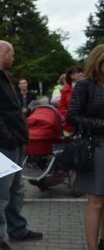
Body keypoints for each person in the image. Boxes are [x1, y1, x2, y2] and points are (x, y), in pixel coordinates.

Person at [0, 40, 43, 250]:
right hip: (3, 147)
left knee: (16, 191)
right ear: (4, 53)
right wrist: (9, 138)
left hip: (12, 145)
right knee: (0, 196)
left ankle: (17, 230)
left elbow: (3, 112)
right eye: (11, 54)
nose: (13, 59)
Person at [66, 44, 104, 250]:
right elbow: (72, 116)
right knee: (96, 200)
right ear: (97, 63)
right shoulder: (84, 85)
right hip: (95, 147)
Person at [57, 65, 84, 133]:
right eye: (77, 72)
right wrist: (70, 115)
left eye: (81, 72)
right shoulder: (65, 90)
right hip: (71, 123)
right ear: (70, 76)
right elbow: (61, 107)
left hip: (87, 122)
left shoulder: (89, 87)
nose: (80, 74)